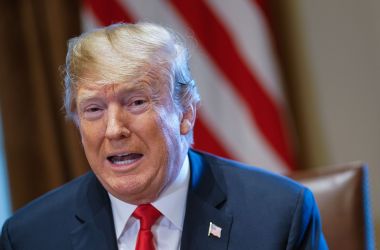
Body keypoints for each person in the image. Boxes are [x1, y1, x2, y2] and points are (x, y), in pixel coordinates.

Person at [0, 22, 327, 250]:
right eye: (94, 110)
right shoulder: (31, 237)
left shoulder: (278, 216)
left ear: (186, 113)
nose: (114, 129)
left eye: (136, 102)